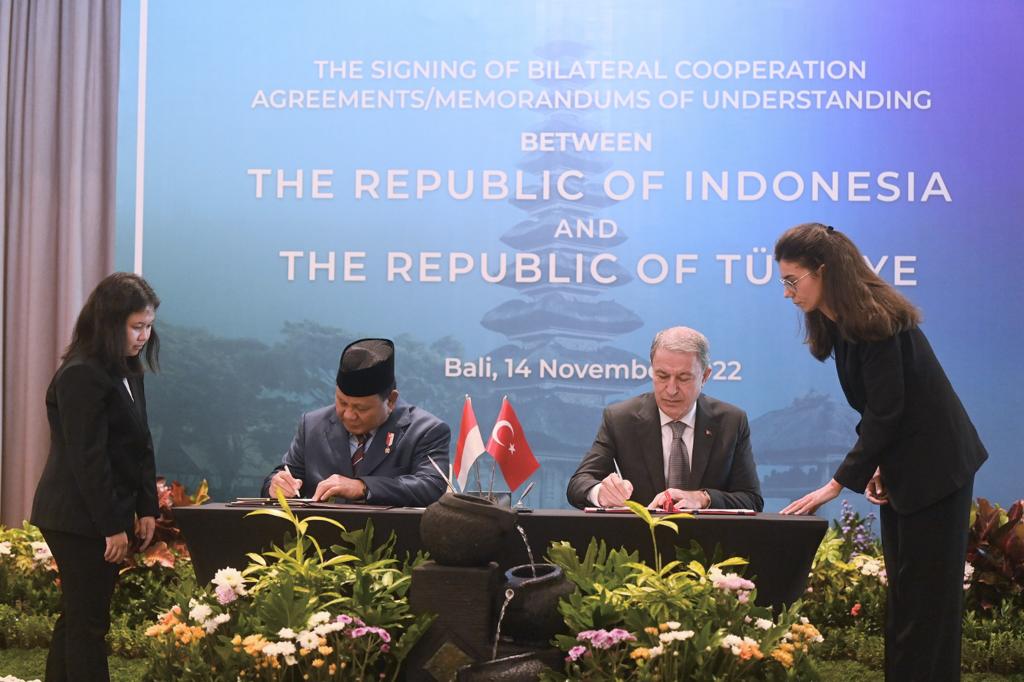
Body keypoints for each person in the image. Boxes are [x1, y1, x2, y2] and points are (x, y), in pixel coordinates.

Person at [775, 222, 987, 681]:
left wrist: (835, 484)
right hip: (907, 469)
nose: (787, 293)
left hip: (938, 471)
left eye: (792, 280)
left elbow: (887, 413)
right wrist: (879, 466)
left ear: (823, 271)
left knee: (927, 605)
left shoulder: (875, 322)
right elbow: (880, 410)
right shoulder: (840, 323)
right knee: (907, 598)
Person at [30, 273, 161, 682]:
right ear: (109, 323)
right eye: (136, 327)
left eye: (149, 326)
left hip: (98, 514)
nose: (144, 336)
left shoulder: (127, 368)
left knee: (78, 617)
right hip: (76, 518)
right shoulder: (81, 374)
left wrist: (147, 507)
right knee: (89, 624)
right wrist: (111, 526)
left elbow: (140, 441)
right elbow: (89, 459)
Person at [567, 326, 763, 511]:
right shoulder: (621, 419)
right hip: (642, 534)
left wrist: (703, 498)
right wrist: (601, 493)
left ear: (705, 376)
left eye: (683, 378)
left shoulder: (731, 422)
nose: (671, 390)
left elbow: (752, 500)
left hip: (709, 535)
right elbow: (578, 483)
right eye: (662, 376)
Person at [261, 338, 450, 506]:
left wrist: (363, 487)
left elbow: (431, 486)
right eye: (342, 402)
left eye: (361, 408)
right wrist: (276, 485)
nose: (349, 415)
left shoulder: (425, 430)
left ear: (391, 400)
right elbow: (287, 474)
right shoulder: (312, 425)